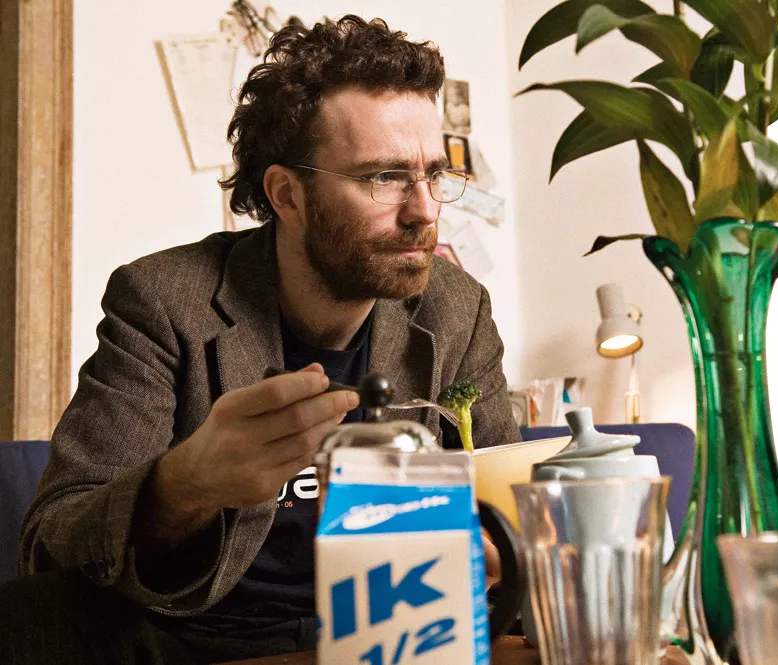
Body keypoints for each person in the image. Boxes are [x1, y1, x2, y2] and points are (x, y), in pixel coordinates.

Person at [0, 14, 520, 665]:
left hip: (393, 637)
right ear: (287, 195)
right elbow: (51, 545)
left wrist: (499, 548)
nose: (424, 210)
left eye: (434, 175)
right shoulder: (165, 301)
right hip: (200, 645)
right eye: (383, 178)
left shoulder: (456, 307)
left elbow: (505, 502)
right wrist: (187, 483)